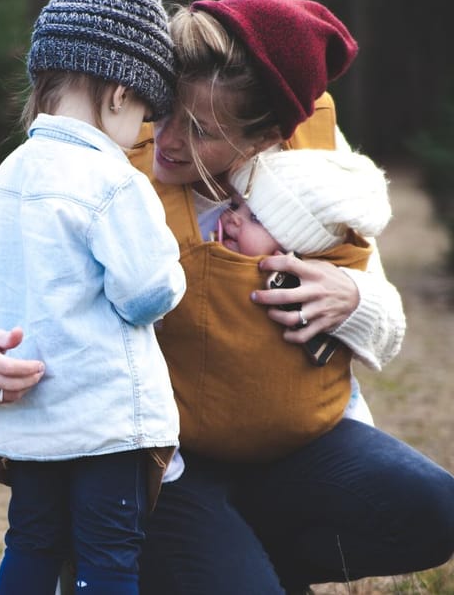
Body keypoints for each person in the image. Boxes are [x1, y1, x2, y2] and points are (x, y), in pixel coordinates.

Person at [0, 0, 454, 593]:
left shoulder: (316, 180)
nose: (170, 142)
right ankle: (166, 554)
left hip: (291, 449)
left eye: (203, 130)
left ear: (265, 138)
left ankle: (244, 560)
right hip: (166, 465)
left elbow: (386, 319)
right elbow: (13, 284)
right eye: (166, 113)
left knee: (434, 510)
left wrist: (354, 299)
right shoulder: (113, 168)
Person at [0, 0, 185, 594]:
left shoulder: (7, 175)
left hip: (30, 418)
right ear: (122, 94)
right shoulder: (111, 179)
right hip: (106, 422)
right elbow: (148, 289)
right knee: (108, 559)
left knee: (32, 542)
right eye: (147, 112)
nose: (143, 132)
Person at [168, 146, 392, 462]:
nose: (231, 219)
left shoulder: (317, 278)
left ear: (294, 249)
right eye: (234, 206)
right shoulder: (197, 250)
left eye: (255, 218)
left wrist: (357, 299)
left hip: (317, 431)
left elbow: (385, 332)